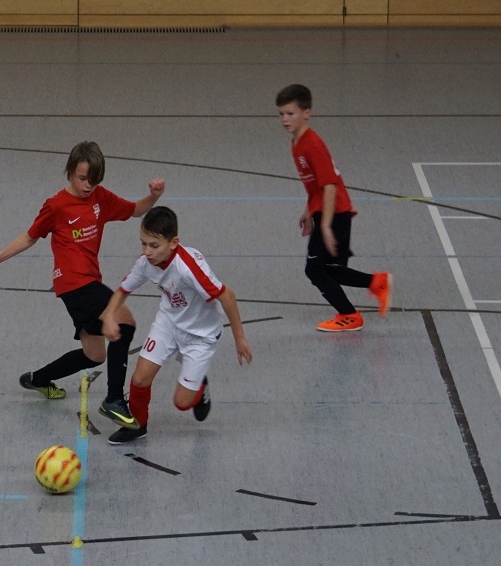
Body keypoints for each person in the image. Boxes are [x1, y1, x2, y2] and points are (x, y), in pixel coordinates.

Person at [0, 141, 164, 428]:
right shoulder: (56, 206)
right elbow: (29, 236)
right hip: (74, 283)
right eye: (82, 178)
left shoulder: (100, 198)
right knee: (124, 321)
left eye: (93, 180)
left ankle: (37, 379)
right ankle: (114, 399)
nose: (88, 185)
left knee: (95, 355)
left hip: (87, 283)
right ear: (70, 171)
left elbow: (136, 209)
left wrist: (153, 196)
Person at [100, 206, 252, 444]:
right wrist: (109, 316)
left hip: (200, 336)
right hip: (169, 324)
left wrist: (240, 338)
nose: (147, 252)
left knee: (181, 403)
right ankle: (137, 427)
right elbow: (123, 290)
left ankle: (200, 387)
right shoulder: (145, 263)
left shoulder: (188, 267)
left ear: (173, 243)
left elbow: (227, 297)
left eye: (154, 245)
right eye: (143, 244)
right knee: (139, 379)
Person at [276, 84, 392, 332]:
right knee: (324, 269)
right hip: (325, 211)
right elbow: (315, 184)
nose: (285, 119)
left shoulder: (312, 145)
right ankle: (377, 282)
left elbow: (329, 186)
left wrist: (326, 226)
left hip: (335, 214)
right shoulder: (297, 143)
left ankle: (350, 315)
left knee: (315, 271)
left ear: (307, 113)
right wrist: (309, 210)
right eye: (281, 114)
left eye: (290, 113)